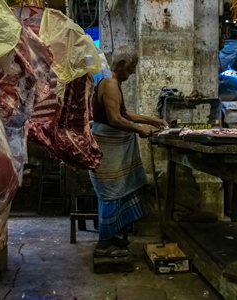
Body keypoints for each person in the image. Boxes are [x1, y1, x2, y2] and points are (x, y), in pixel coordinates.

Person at [89, 45, 168, 257]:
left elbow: (123, 113)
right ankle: (103, 246)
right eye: (132, 67)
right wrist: (141, 130)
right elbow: (115, 119)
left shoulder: (110, 81)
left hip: (112, 150)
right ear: (122, 65)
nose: (133, 72)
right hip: (108, 151)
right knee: (112, 195)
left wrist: (152, 120)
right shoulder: (110, 83)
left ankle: (113, 236)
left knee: (118, 192)